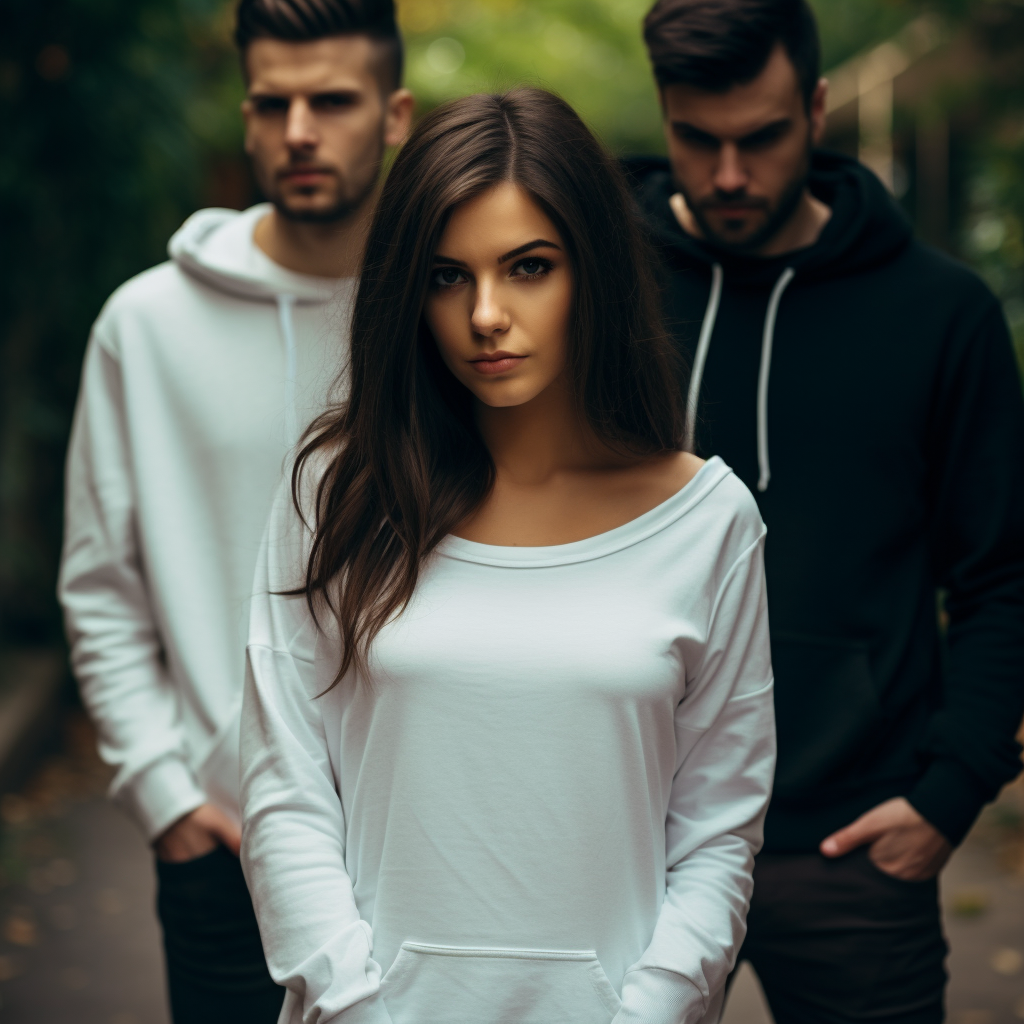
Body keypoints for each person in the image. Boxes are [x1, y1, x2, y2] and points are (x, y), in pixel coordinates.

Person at [240, 87, 776, 1024]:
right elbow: (285, 792)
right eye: (447, 277)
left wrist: (648, 1013)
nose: (486, 314)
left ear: (595, 272)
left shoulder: (707, 520)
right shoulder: (342, 491)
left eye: (529, 267)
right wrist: (354, 1006)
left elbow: (718, 833)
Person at [626, 0, 1024, 1020]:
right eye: (694, 139)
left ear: (815, 107)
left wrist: (949, 793)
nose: (724, 175)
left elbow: (1001, 575)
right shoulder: (600, 290)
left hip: (853, 847)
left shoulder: (940, 315)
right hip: (624, 842)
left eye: (758, 138)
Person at [57, 1, 413, 1020]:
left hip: (418, 840)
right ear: (248, 117)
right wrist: (165, 796)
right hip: (226, 843)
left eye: (332, 100)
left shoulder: (448, 310)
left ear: (394, 115)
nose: (299, 129)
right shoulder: (147, 324)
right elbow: (101, 586)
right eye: (273, 102)